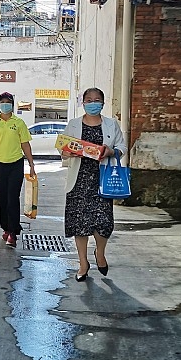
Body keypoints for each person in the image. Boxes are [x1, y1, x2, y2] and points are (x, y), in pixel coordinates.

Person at [60, 87, 127, 281]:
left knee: (103, 222)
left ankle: (100, 253)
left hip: (102, 180)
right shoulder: (73, 124)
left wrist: (111, 152)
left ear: (103, 103)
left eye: (97, 100)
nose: (93, 103)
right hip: (79, 180)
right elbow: (63, 149)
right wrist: (67, 152)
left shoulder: (111, 124)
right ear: (83, 103)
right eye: (89, 100)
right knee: (79, 224)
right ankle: (83, 263)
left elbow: (122, 146)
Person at [0, 92, 36, 248]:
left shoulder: (19, 123)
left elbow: (25, 144)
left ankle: (13, 232)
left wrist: (31, 164)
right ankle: (5, 227)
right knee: (3, 197)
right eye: (2, 102)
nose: (5, 104)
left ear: (12, 104)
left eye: (8, 102)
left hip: (16, 164)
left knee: (13, 198)